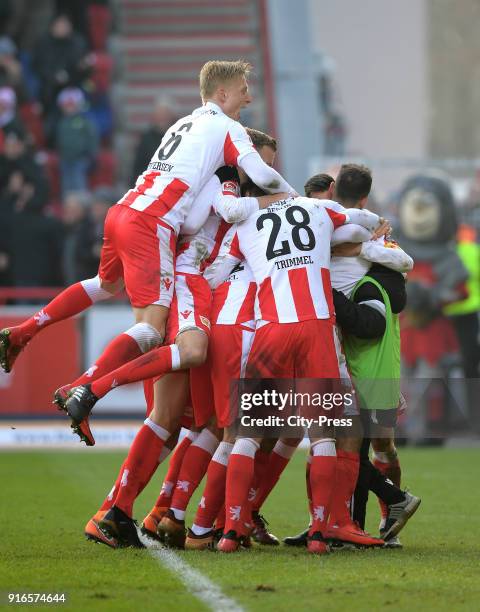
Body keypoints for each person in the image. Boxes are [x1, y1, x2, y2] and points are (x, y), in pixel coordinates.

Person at [52, 59, 295, 445]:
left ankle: (144, 501)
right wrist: (291, 200)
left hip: (168, 250)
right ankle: (89, 390)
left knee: (193, 418)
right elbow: (214, 213)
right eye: (245, 89)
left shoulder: (188, 131)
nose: (250, 96)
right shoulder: (228, 169)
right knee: (176, 389)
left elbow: (197, 215)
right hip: (179, 265)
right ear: (223, 93)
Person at [131, 97, 177, 183]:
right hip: (149, 182)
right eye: (160, 113)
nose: (162, 117)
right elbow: (138, 167)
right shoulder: (146, 138)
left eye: (165, 113)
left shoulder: (179, 136)